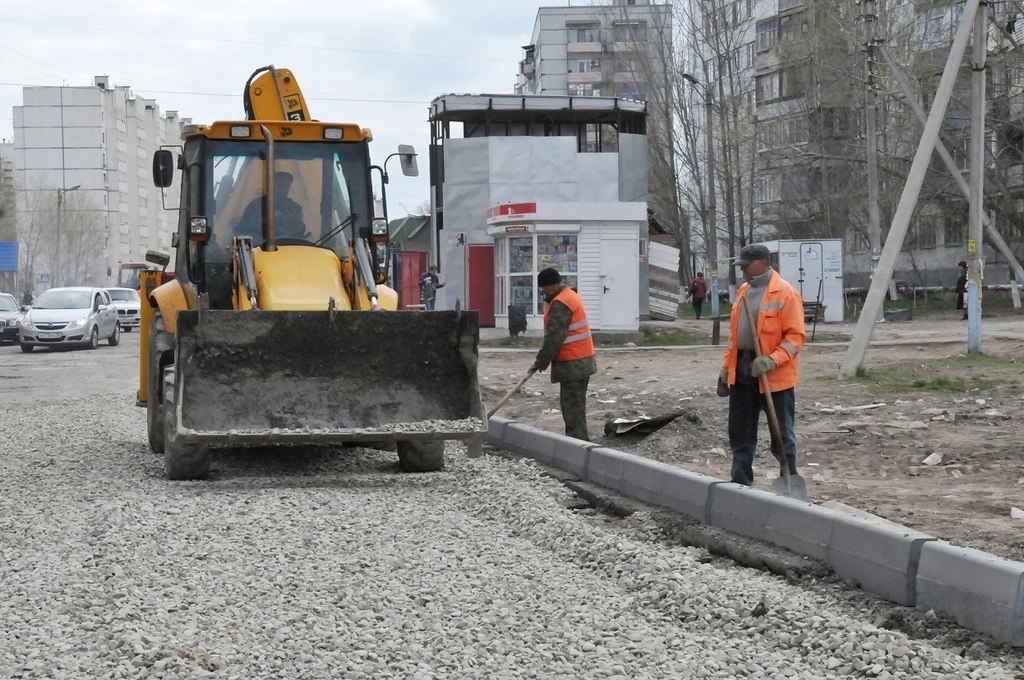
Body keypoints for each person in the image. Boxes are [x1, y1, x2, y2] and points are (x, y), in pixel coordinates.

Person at [718, 244, 806, 487]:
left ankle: (788, 479)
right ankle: (740, 481)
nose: (743, 269)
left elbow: (795, 338)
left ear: (763, 263)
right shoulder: (744, 292)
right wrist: (727, 367)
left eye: (746, 264)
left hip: (773, 375)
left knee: (782, 433)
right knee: (740, 431)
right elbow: (734, 337)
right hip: (743, 367)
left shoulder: (785, 293)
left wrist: (771, 360)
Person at [530, 267, 597, 441]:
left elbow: (554, 339)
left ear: (552, 285)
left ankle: (578, 446)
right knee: (576, 408)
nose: (543, 292)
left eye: (544, 288)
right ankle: (579, 442)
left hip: (573, 363)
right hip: (582, 361)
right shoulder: (570, 295)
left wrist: (540, 362)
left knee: (572, 409)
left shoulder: (561, 303)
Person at [237, 171, 305, 241]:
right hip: (260, 245)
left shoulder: (295, 207)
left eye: (286, 185)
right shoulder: (256, 204)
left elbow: (298, 229)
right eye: (280, 183)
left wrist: (282, 218)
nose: (283, 187)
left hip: (287, 246)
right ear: (272, 185)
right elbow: (244, 228)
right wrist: (269, 218)